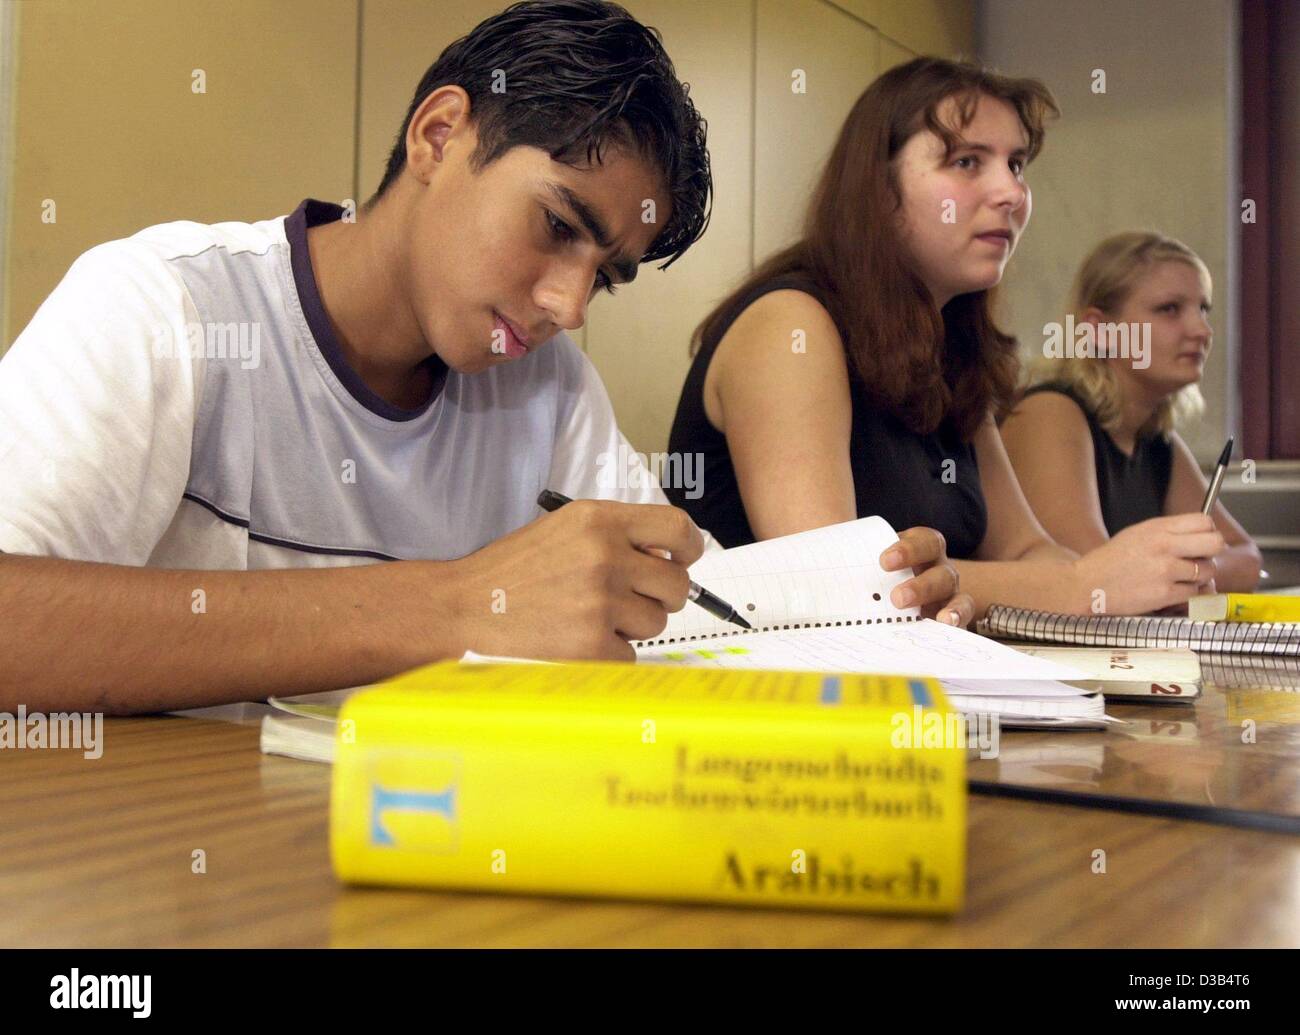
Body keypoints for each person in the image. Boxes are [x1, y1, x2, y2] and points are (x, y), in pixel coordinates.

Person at [0, 2, 964, 714]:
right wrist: (459, 604)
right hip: (161, 869)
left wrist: (859, 606)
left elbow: (703, 616)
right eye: (555, 226)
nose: (568, 305)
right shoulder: (169, 305)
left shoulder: (548, 393)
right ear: (437, 134)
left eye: (607, 276)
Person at [666, 57, 1224, 621]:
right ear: (878, 189)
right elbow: (838, 590)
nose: (1011, 192)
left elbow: (1030, 551)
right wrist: (1082, 586)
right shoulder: (791, 325)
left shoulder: (949, 351)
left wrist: (1089, 584)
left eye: (1016, 164)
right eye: (966, 161)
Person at [1000, 231, 1260, 590]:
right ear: (1101, 330)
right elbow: (1096, 577)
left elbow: (1247, 560)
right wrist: (1189, 569)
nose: (1202, 330)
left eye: (1203, 309)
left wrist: (1175, 570)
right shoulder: (1050, 412)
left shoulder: (1156, 440)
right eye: (1169, 309)